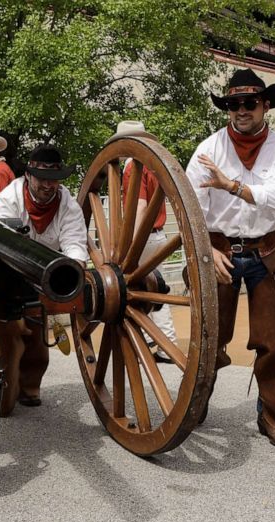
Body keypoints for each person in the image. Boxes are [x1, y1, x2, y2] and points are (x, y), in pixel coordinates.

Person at [185, 68, 275, 449]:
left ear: (265, 106)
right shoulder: (208, 149)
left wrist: (231, 186)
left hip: (265, 251)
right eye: (233, 104)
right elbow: (191, 210)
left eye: (249, 103)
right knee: (209, 337)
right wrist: (207, 252)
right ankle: (194, 404)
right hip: (217, 251)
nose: (241, 110)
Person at [0, 144, 87, 416]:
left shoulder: (66, 203)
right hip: (7, 272)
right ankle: (5, 393)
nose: (48, 185)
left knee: (39, 346)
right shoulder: (8, 200)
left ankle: (30, 387)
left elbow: (75, 241)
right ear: (28, 177)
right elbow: (0, 245)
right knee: (10, 339)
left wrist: (74, 272)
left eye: (54, 179)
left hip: (48, 274)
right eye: (42, 178)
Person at [109, 120, 177, 364]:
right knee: (158, 290)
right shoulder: (153, 164)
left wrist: (130, 243)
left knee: (133, 292)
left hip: (143, 238)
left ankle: (149, 341)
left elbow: (139, 205)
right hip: (158, 235)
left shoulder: (133, 166)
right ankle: (165, 341)